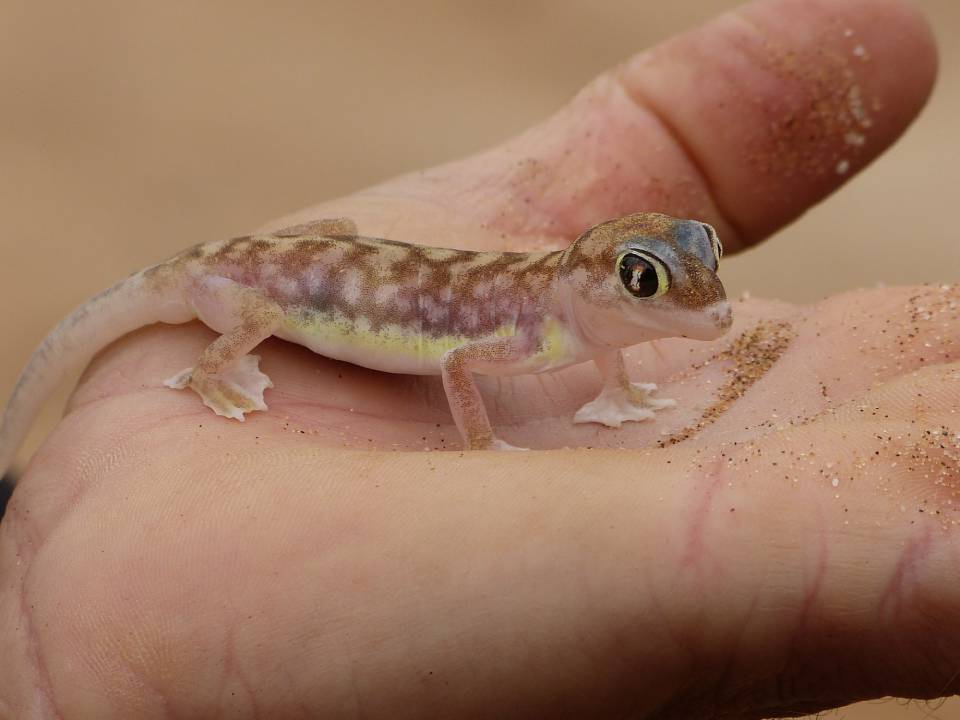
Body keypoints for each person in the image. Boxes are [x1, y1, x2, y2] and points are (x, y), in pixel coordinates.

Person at [2, 0, 954, 717]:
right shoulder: (522, 330)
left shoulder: (582, 322)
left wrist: (621, 384)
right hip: (242, 288)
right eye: (643, 282)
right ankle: (213, 368)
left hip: (290, 265)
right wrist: (480, 451)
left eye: (678, 270)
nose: (683, 309)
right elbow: (458, 368)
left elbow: (616, 338)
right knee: (264, 312)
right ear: (588, 281)